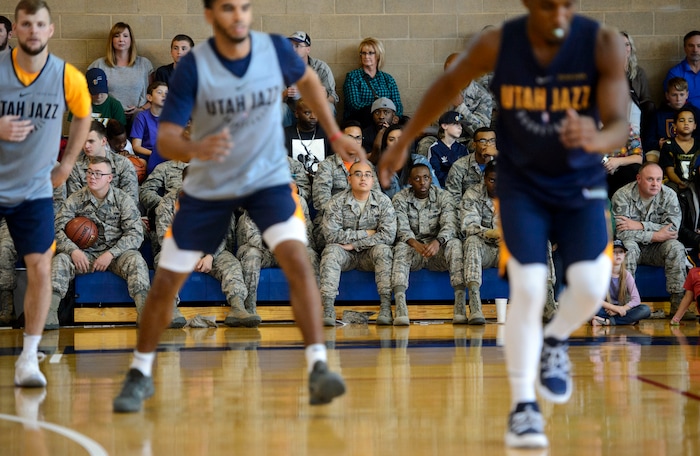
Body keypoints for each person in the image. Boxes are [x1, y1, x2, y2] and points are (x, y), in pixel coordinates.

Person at [377, 0, 630, 448]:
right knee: (529, 288)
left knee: (591, 287)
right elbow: (448, 85)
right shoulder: (501, 43)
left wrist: (595, 138)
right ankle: (523, 408)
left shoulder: (602, 44)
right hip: (523, 186)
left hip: (579, 184)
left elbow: (618, 124)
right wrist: (405, 138)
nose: (558, 12)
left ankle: (553, 341)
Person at [112, 0, 360, 413]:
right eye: (229, 8)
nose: (239, 15)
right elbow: (168, 140)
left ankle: (318, 366)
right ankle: (139, 373)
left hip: (267, 175)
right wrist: (197, 146)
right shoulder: (194, 67)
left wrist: (334, 132)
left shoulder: (274, 50)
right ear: (211, 16)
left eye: (245, 6)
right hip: (212, 179)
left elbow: (311, 83)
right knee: (169, 275)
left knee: (299, 260)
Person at [0, 0, 92, 387]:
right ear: (15, 30)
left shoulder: (67, 76)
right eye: (26, 24)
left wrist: (68, 163)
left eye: (40, 24)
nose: (33, 31)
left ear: (50, 30)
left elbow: (84, 115)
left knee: (40, 267)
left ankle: (28, 357)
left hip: (34, 188)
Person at [50, 157, 152, 328]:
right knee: (60, 260)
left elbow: (135, 233)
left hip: (116, 255)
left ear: (109, 178)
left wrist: (111, 254)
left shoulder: (122, 199)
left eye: (98, 173)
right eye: (90, 172)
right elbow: (57, 230)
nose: (92, 177)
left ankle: (145, 313)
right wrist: (73, 251)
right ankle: (49, 313)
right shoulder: (75, 199)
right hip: (84, 256)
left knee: (136, 260)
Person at [320, 160, 396, 326]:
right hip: (344, 254)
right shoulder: (336, 202)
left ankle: (385, 307)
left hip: (369, 254)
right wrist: (366, 233)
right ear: (349, 179)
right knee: (331, 251)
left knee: (384, 250)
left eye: (368, 175)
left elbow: (388, 236)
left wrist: (355, 244)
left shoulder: (383, 202)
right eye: (358, 174)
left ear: (373, 180)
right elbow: (331, 236)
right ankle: (327, 308)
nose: (363, 178)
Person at [612, 163, 688, 319]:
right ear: (639, 179)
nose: (655, 184)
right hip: (632, 245)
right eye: (650, 179)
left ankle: (678, 307)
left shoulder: (669, 195)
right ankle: (626, 306)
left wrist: (639, 225)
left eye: (659, 179)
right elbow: (622, 233)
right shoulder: (622, 195)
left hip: (657, 249)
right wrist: (656, 234)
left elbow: (672, 229)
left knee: (676, 247)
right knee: (627, 249)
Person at [391, 163, 462, 326]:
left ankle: (459, 305)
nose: (422, 182)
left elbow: (450, 225)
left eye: (426, 178)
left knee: (455, 245)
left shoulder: (444, 197)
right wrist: (414, 243)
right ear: (409, 181)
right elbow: (400, 227)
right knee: (401, 248)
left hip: (437, 250)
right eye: (417, 179)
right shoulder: (400, 198)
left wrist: (438, 241)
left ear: (431, 179)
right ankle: (401, 306)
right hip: (413, 250)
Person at [88, 22, 154, 126]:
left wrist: (141, 109)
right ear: (112, 40)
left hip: (137, 118)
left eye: (125, 36)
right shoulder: (99, 65)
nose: (121, 39)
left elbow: (153, 94)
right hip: (110, 118)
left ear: (131, 40)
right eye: (117, 36)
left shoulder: (144, 64)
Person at [67, 120, 139, 205]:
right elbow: (74, 202)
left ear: (104, 141)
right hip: (86, 216)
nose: (86, 146)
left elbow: (131, 202)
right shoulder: (75, 167)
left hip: (118, 215)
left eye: (91, 141)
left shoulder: (123, 164)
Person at [343, 37, 403, 128]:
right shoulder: (353, 77)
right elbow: (354, 104)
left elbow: (397, 103)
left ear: (378, 55)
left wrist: (396, 116)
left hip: (387, 118)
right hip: (362, 118)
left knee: (406, 123)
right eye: (364, 53)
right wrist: (379, 110)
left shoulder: (387, 78)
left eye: (371, 53)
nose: (366, 56)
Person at [282, 31, 338, 124]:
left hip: (315, 112)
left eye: (297, 45)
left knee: (329, 107)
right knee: (280, 109)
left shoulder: (320, 67)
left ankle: (322, 137)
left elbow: (334, 98)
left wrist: (325, 95)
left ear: (308, 49)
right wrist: (285, 93)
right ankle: (286, 137)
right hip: (292, 113)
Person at [591, 239, 650, 326]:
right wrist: (614, 308)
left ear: (624, 254)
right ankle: (626, 321)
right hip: (605, 309)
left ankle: (607, 322)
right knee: (590, 307)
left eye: (621, 252)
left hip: (620, 310)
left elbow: (636, 299)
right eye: (614, 252)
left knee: (645, 310)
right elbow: (595, 299)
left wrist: (621, 309)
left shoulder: (627, 275)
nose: (618, 254)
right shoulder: (601, 274)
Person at [644, 77, 697, 160]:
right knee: (651, 157)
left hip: (690, 150)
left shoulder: (695, 113)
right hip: (663, 150)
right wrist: (658, 143)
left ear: (687, 94)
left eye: (681, 94)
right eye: (674, 95)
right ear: (667, 95)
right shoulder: (658, 115)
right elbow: (647, 140)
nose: (678, 99)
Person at [444, 127, 497, 204]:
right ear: (474, 144)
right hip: (467, 211)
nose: (488, 144)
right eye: (483, 141)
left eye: (492, 141)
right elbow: (453, 199)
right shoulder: (459, 166)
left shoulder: (502, 164)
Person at [284, 98, 329, 178]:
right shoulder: (285, 134)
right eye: (307, 113)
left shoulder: (326, 133)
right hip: (295, 181)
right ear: (297, 114)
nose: (313, 116)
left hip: (321, 181)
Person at [131, 80, 168, 173]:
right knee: (137, 168)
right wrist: (154, 154)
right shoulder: (141, 117)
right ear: (149, 97)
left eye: (166, 93)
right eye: (159, 92)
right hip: (148, 153)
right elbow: (136, 146)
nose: (164, 95)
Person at [659, 108, 699, 192]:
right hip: (674, 182)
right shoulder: (668, 145)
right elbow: (669, 171)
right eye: (682, 120)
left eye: (690, 121)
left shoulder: (698, 144)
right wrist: (679, 182)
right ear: (674, 125)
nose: (686, 123)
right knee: (670, 189)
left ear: (695, 125)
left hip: (696, 182)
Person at [428, 111, 469, 187]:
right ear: (444, 126)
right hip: (442, 189)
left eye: (461, 125)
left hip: (461, 188)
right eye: (456, 124)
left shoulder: (462, 148)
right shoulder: (435, 148)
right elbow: (435, 173)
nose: (460, 127)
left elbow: (467, 172)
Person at [664, 31, 700, 110]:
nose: (695, 50)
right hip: (688, 118)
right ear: (685, 48)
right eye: (691, 46)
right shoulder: (674, 73)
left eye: (699, 46)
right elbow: (671, 102)